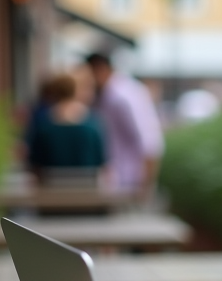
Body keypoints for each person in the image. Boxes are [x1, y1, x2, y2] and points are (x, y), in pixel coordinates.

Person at [85, 52, 164, 196]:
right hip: (118, 181)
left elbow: (149, 142)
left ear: (100, 69)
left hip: (129, 182)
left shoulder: (122, 96)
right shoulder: (110, 93)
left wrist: (146, 186)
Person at [26, 70, 106, 186]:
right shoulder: (92, 123)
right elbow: (101, 163)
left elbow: (35, 165)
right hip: (86, 187)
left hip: (52, 188)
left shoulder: (43, 123)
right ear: (76, 90)